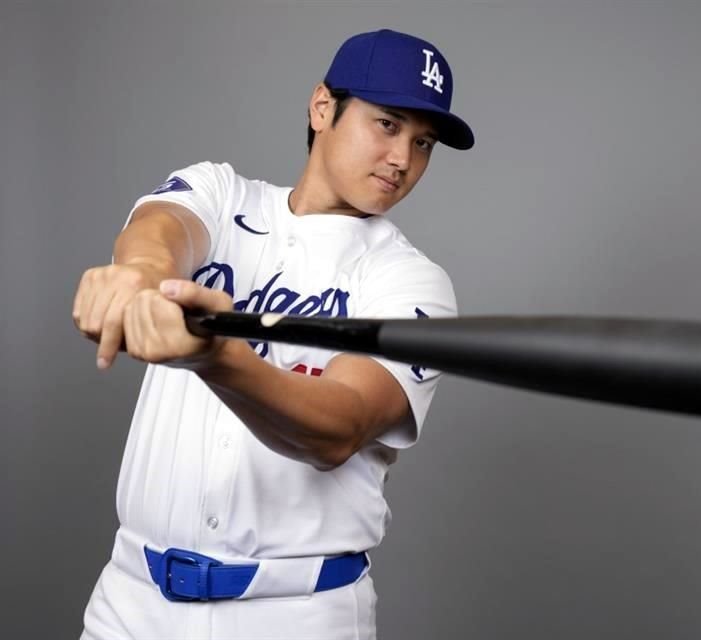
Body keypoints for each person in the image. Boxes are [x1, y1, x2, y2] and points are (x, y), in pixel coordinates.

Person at [73, 28, 473, 640]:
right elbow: (162, 233)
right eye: (387, 124)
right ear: (322, 108)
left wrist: (217, 359)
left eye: (423, 142)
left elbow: (338, 428)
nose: (403, 159)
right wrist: (139, 281)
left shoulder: (412, 282)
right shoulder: (221, 192)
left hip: (295, 613)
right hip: (132, 602)